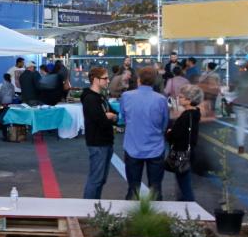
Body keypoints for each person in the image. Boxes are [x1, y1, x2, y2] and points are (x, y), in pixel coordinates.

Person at [120, 65, 170, 200]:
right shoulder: (161, 99)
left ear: (138, 80)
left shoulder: (126, 96)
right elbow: (164, 123)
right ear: (154, 81)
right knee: (155, 188)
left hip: (132, 146)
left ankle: (130, 218)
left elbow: (123, 118)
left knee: (133, 189)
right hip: (155, 147)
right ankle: (157, 219)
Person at [80, 66, 118, 200]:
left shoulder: (100, 97)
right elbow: (99, 120)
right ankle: (88, 208)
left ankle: (95, 206)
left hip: (106, 141)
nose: (108, 81)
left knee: (101, 179)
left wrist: (110, 116)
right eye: (105, 78)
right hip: (98, 143)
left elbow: (113, 113)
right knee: (96, 179)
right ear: (95, 79)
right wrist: (107, 117)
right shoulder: (90, 98)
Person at [164, 87, 202, 204]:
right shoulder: (195, 113)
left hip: (181, 152)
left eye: (181, 97)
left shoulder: (186, 116)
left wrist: (169, 133)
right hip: (190, 151)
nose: (179, 99)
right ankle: (184, 205)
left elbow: (175, 135)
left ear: (189, 100)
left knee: (184, 184)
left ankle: (189, 208)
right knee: (183, 182)